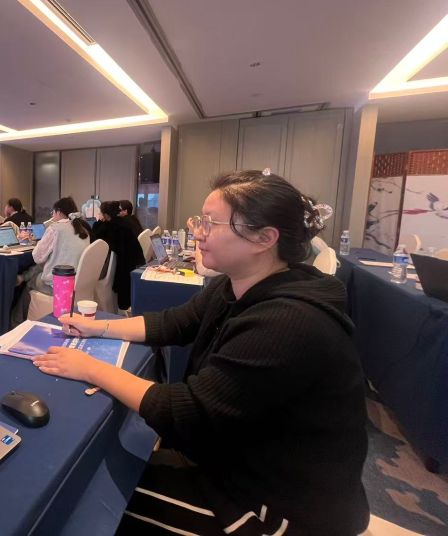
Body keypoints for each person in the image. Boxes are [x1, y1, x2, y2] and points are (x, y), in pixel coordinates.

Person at [33, 170, 369, 536]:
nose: (197, 233)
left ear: (264, 238)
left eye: (210, 223)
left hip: (276, 506)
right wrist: (98, 327)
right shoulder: (236, 285)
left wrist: (90, 367)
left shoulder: (288, 322)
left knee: (87, 503)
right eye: (200, 220)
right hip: (237, 459)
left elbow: (186, 413)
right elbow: (174, 323)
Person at [11, 197, 91, 323]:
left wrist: (38, 242)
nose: (52, 216)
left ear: (58, 212)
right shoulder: (83, 229)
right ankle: (22, 279)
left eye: (53, 212)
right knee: (45, 265)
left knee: (29, 283)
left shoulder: (55, 228)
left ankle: (18, 322)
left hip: (57, 285)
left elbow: (37, 257)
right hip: (77, 283)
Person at [92, 201, 145, 310]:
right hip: (133, 268)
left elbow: (95, 239)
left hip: (124, 275)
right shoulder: (126, 223)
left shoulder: (111, 227)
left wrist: (99, 221)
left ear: (105, 215)